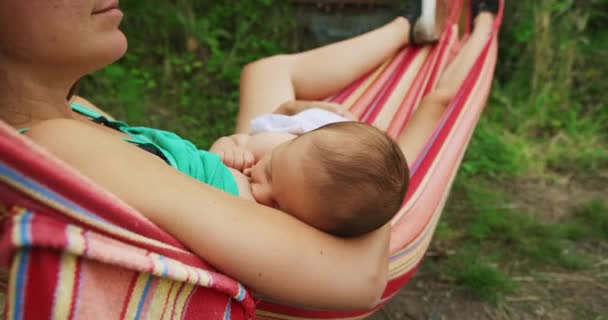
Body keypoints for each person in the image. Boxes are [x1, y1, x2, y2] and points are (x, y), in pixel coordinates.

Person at [0, 0, 497, 310]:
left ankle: (408, 26)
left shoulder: (75, 116)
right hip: (266, 197)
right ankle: (419, 34)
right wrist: (346, 136)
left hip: (240, 176)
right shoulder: (58, 147)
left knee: (266, 73)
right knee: (361, 155)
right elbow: (361, 277)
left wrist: (322, 138)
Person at [209, 120, 409, 237]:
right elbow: (235, 139)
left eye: (277, 206)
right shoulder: (273, 144)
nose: (259, 192)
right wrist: (226, 149)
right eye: (269, 171)